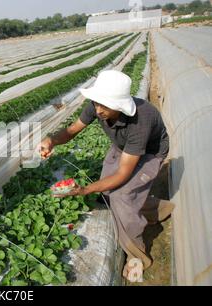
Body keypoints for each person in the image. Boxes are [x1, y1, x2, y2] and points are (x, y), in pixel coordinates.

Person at [38, 70, 174, 281]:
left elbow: (122, 174)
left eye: (105, 106)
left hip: (149, 152)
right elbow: (73, 130)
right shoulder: (96, 105)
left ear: (120, 106)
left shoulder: (140, 121)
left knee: (122, 195)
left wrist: (85, 190)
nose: (99, 110)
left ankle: (137, 254)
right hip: (123, 147)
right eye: (96, 103)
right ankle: (158, 209)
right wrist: (51, 140)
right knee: (110, 192)